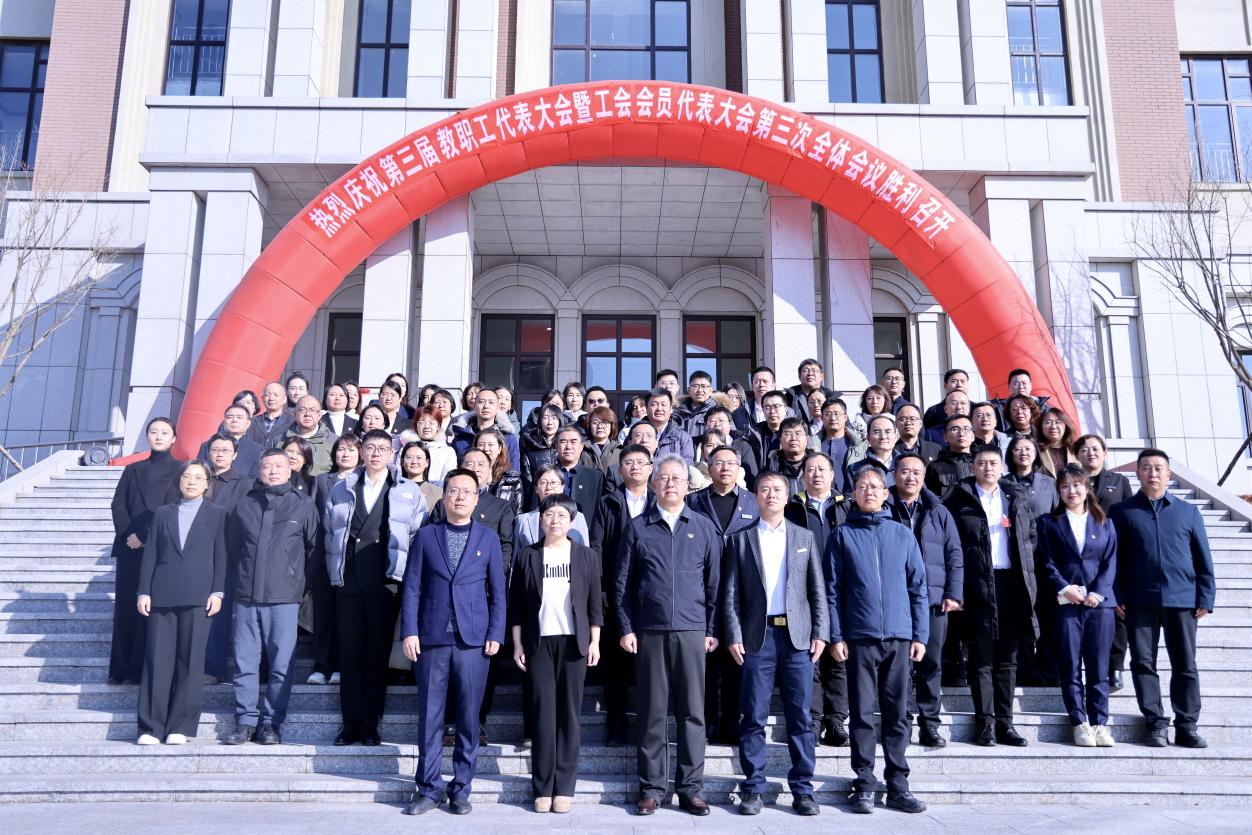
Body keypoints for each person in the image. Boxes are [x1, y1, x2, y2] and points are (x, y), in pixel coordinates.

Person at [615, 454, 720, 816]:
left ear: (688, 486)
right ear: (654, 484)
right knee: (652, 712)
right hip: (650, 631)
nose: (671, 484)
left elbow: (715, 585)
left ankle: (691, 788)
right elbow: (622, 584)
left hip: (692, 630)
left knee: (692, 713)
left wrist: (711, 629)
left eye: (677, 478)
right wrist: (626, 627)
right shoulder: (638, 528)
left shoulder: (703, 527)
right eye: (664, 478)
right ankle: (652, 788)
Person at [401, 468, 506, 816]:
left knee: (468, 717)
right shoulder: (426, 536)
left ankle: (461, 789)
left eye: (467, 491)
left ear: (477, 499)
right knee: (429, 717)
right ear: (444, 496)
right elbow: (412, 587)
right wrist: (409, 631)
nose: (460, 497)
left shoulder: (488, 538)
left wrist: (496, 633)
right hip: (431, 639)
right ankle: (428, 789)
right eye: (454, 491)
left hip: (472, 641)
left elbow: (498, 592)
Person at [723, 471, 827, 817]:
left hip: (797, 639)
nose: (771, 495)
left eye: (777, 489)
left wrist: (820, 632)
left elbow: (817, 591)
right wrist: (734, 635)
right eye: (764, 489)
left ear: (788, 496)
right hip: (758, 638)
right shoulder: (741, 539)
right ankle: (753, 787)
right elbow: (731, 594)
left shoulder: (803, 537)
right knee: (753, 716)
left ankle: (803, 790)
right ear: (755, 496)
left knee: (801, 718)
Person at [827, 463, 929, 815]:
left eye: (875, 486)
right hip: (859, 637)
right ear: (853, 494)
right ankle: (865, 782)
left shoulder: (902, 534)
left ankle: (899, 784)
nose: (869, 491)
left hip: (899, 637)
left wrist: (920, 634)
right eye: (862, 486)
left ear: (886, 493)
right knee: (861, 714)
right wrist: (836, 635)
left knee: (897, 714)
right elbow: (831, 591)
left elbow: (918, 588)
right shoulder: (841, 536)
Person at [324, 430, 428, 746]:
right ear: (362, 451)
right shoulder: (342, 487)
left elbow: (416, 535)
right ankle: (349, 725)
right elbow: (330, 531)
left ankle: (371, 726)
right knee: (350, 656)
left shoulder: (407, 490)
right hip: (349, 581)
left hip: (386, 584)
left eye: (383, 448)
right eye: (370, 447)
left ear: (392, 454)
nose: (376, 453)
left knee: (376, 657)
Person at [1109, 449, 1215, 749]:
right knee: (1143, 662)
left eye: (1158, 468)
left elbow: (1203, 557)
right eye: (1146, 467)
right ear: (1138, 473)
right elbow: (1113, 559)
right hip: (1139, 599)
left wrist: (1206, 595)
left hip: (1182, 599)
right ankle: (1155, 723)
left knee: (1185, 663)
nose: (1152, 473)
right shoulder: (1122, 512)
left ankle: (1187, 725)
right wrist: (1116, 594)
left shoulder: (1188, 512)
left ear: (1168, 474)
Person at [510, 494, 603, 814]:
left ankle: (564, 787)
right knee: (543, 714)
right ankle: (542, 787)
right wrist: (517, 644)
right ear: (540, 520)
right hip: (538, 643)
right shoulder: (528, 555)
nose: (555, 520)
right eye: (549, 515)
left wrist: (595, 642)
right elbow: (516, 605)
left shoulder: (586, 556)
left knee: (569, 715)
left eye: (562, 515)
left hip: (574, 643)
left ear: (572, 521)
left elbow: (594, 604)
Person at [943, 447, 1038, 747]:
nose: (988, 468)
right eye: (981, 463)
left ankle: (1006, 723)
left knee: (1008, 659)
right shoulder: (959, 500)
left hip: (1011, 582)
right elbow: (951, 545)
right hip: (976, 584)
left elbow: (1030, 538)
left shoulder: (1015, 498)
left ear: (1002, 467)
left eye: (993, 463)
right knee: (981, 658)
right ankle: (985, 723)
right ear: (972, 467)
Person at [223, 449, 319, 745]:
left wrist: (296, 583)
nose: (273, 471)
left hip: (284, 598)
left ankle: (271, 723)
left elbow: (313, 551)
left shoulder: (304, 504)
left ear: (290, 470)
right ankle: (245, 721)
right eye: (267, 466)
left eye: (279, 466)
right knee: (245, 662)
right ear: (259, 470)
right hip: (246, 596)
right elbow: (233, 547)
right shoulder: (245, 503)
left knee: (281, 664)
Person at [427, 448, 518, 742]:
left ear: (491, 472)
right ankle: (448, 722)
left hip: (482, 594)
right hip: (445, 598)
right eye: (469, 463)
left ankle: (476, 721)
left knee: (480, 665)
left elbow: (506, 546)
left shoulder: (501, 507)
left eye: (481, 464)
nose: (475, 467)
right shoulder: (444, 504)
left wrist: (493, 573)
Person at [135, 460, 227, 745]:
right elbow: (151, 553)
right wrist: (143, 591)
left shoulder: (218, 514)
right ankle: (151, 727)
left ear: (207, 483)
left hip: (199, 596)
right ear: (179, 481)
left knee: (191, 661)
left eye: (198, 477)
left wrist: (218, 591)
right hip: (162, 593)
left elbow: (221, 555)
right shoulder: (163, 513)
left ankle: (181, 726)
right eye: (187, 476)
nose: (191, 481)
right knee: (157, 660)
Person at [1037, 465, 1118, 747]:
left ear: (1087, 487)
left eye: (1076, 485)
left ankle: (1100, 723)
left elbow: (1110, 562)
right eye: (1065, 486)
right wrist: (1064, 587)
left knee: (1098, 667)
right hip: (1066, 604)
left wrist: (1099, 592)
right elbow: (1045, 560)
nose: (1072, 491)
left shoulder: (1104, 522)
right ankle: (1079, 722)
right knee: (1070, 665)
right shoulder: (1049, 522)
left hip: (1099, 606)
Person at [887, 453, 963, 748]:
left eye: (916, 472)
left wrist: (953, 593)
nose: (911, 477)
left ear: (924, 477)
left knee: (931, 663)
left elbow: (954, 553)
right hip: (895, 601)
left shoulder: (938, 510)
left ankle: (930, 724)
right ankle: (902, 722)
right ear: (895, 475)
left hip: (932, 600)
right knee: (899, 665)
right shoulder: (883, 507)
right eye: (905, 471)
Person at [687, 444, 760, 745]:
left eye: (731, 463)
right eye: (719, 462)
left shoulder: (753, 502)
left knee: (736, 659)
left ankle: (732, 724)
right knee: (706, 663)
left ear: (739, 468)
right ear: (708, 467)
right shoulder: (693, 501)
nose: (725, 468)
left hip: (741, 591)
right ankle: (706, 725)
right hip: (702, 589)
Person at [782, 452, 850, 747]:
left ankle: (836, 721)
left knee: (837, 656)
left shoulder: (846, 506)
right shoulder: (791, 508)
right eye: (810, 470)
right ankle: (812, 720)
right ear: (803, 476)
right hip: (802, 592)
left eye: (822, 469)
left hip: (839, 591)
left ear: (833, 475)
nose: (816, 474)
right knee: (809, 656)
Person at [109, 417, 182, 685]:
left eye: (165, 432)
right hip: (129, 548)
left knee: (153, 608)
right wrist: (129, 534)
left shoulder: (181, 469)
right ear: (147, 436)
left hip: (161, 549)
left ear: (174, 438)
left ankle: (144, 670)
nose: (159, 436)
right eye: (154, 432)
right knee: (126, 607)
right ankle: (120, 669)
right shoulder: (133, 469)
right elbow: (118, 504)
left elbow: (175, 508)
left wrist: (144, 536)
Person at [590, 444, 654, 744]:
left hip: (652, 592)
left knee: (649, 666)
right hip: (616, 593)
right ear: (619, 470)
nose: (635, 467)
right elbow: (597, 547)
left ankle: (647, 729)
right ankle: (616, 727)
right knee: (615, 665)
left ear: (651, 468)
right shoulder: (608, 502)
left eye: (641, 462)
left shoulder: (660, 500)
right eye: (628, 462)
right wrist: (601, 587)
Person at [1075, 433, 1134, 691]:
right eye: (1084, 449)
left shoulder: (1119, 481)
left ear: (1105, 453)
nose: (1090, 453)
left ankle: (1115, 667)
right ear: (1077, 455)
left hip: (1113, 555)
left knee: (1116, 611)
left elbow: (1130, 518)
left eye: (1095, 449)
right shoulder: (1071, 481)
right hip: (1081, 556)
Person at [306, 434, 361, 686]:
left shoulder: (362, 481)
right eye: (341, 449)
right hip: (323, 555)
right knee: (324, 613)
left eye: (351, 450)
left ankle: (341, 665)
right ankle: (321, 665)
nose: (345, 454)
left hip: (349, 558)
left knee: (346, 615)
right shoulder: (321, 480)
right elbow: (313, 516)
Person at [515, 465, 592, 547]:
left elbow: (585, 552)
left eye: (553, 482)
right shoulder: (523, 521)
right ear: (536, 488)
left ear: (562, 487)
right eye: (543, 482)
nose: (548, 487)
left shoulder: (578, 518)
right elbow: (518, 553)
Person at [451, 388, 521, 471]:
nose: (486, 406)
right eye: (481, 402)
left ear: (498, 407)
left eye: (491, 402)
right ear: (474, 406)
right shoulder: (461, 438)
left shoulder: (508, 438)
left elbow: (513, 471)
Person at [551, 426, 605, 522]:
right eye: (563, 442)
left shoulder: (595, 477)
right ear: (556, 446)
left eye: (573, 442)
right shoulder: (546, 475)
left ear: (581, 447)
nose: (568, 447)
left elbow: (600, 514)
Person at [197, 403, 263, 480]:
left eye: (239, 417)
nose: (234, 420)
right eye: (230, 417)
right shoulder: (207, 445)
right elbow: (199, 472)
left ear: (248, 423)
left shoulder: (257, 450)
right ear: (224, 422)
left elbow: (255, 479)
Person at [1002, 435, 1058, 520]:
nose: (1023, 453)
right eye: (1017, 449)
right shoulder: (1002, 483)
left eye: (1027, 449)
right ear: (1011, 453)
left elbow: (1058, 515)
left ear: (1035, 453)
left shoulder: (1050, 483)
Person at [283, 395, 336, 476]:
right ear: (295, 414)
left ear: (319, 415)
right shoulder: (281, 439)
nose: (307, 414)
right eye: (302, 409)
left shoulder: (333, 441)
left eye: (313, 410)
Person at [925, 415, 974, 498]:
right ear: (945, 437)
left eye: (966, 429)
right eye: (955, 429)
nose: (961, 433)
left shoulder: (981, 463)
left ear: (973, 436)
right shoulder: (935, 467)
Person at [474, 429, 521, 514]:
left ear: (499, 448)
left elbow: (516, 510)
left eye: (490, 445)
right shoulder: (467, 476)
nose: (485, 449)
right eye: (481, 445)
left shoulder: (511, 478)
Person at [846, 413, 898, 488]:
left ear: (895, 437)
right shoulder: (855, 468)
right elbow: (851, 494)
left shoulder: (905, 465)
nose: (883, 437)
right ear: (868, 438)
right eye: (877, 432)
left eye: (887, 432)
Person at [520, 403, 563, 496]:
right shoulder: (530, 444)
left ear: (560, 421)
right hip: (537, 496)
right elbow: (527, 478)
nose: (550, 422)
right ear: (539, 421)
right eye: (545, 418)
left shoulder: (565, 446)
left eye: (554, 418)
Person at [645, 387, 695, 465]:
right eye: (654, 404)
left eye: (663, 404)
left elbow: (687, 465)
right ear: (646, 408)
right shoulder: (636, 433)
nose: (659, 408)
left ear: (671, 409)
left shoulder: (683, 437)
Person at [814, 398, 854, 495]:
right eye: (828, 414)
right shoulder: (813, 444)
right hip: (821, 497)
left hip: (852, 498)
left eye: (837, 414)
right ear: (822, 418)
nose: (832, 418)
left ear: (845, 417)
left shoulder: (858, 444)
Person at [764, 417, 811, 495]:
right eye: (787, 434)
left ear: (806, 439)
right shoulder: (770, 466)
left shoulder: (816, 464)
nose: (793, 438)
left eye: (798, 434)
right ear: (780, 440)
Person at [413, 406, 456, 484]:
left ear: (438, 426)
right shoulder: (406, 449)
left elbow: (447, 480)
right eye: (421, 422)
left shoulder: (448, 452)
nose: (426, 426)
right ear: (416, 426)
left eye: (431, 423)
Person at [580, 405, 621, 483]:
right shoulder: (581, 448)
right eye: (595, 423)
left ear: (611, 425)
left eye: (604, 422)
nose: (600, 426)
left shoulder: (620, 450)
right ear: (589, 426)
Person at [788, 358, 835, 425]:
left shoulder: (832, 398)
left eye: (814, 370)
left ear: (821, 376)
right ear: (799, 377)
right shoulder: (790, 397)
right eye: (805, 371)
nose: (810, 374)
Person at [1036, 407, 1079, 478]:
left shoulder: (1076, 450)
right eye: (1048, 422)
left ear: (1066, 425)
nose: (1053, 426)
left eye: (1058, 422)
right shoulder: (1035, 450)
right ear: (1041, 427)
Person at [400, 440, 444, 509]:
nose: (414, 461)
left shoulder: (438, 493)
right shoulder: (393, 489)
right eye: (409, 457)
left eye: (419, 458)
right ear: (402, 461)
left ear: (427, 462)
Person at [248, 382, 294, 447]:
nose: (271, 398)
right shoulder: (252, 421)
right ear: (262, 398)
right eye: (267, 395)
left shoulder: (292, 422)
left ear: (284, 399)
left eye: (276, 395)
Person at [894, 403, 939, 467]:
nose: (908, 422)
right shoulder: (891, 450)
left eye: (912, 419)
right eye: (903, 419)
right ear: (896, 424)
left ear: (920, 423)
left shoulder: (936, 449)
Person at [678, 371, 717, 438]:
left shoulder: (718, 411)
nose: (700, 390)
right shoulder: (679, 412)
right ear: (689, 390)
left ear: (710, 390)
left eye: (704, 386)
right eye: (695, 386)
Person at [756, 390, 792, 461]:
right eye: (767, 407)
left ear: (785, 408)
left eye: (776, 406)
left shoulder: (796, 433)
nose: (772, 411)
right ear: (763, 410)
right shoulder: (752, 433)